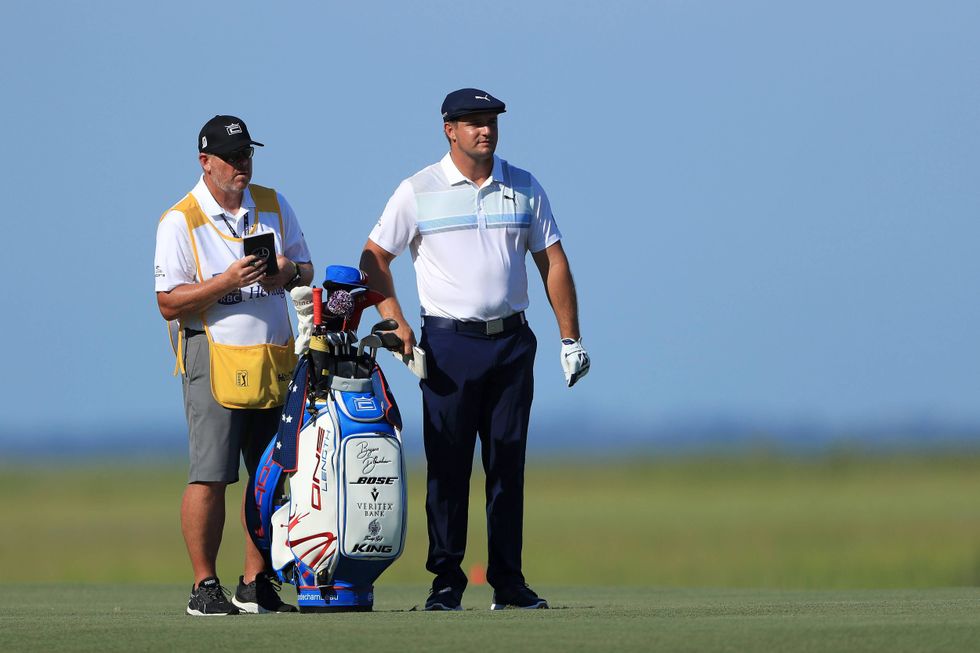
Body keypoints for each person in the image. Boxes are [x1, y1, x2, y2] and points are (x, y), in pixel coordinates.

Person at [359, 88, 591, 611]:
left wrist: (570, 337)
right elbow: (374, 257)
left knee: (507, 464)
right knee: (448, 466)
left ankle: (508, 582)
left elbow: (552, 260)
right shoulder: (418, 189)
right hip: (448, 344)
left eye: (490, 122)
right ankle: (446, 582)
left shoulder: (525, 186)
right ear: (450, 130)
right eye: (473, 123)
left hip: (511, 342)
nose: (485, 130)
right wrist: (393, 322)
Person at [154, 115, 314, 616]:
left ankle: (256, 581)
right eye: (232, 157)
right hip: (213, 354)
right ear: (205, 162)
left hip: (274, 354)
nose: (242, 164)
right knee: (211, 474)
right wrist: (226, 281)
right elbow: (167, 300)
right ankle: (204, 586)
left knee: (270, 474)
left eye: (247, 154)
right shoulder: (180, 219)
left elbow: (304, 267)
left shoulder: (272, 203)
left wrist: (286, 272)